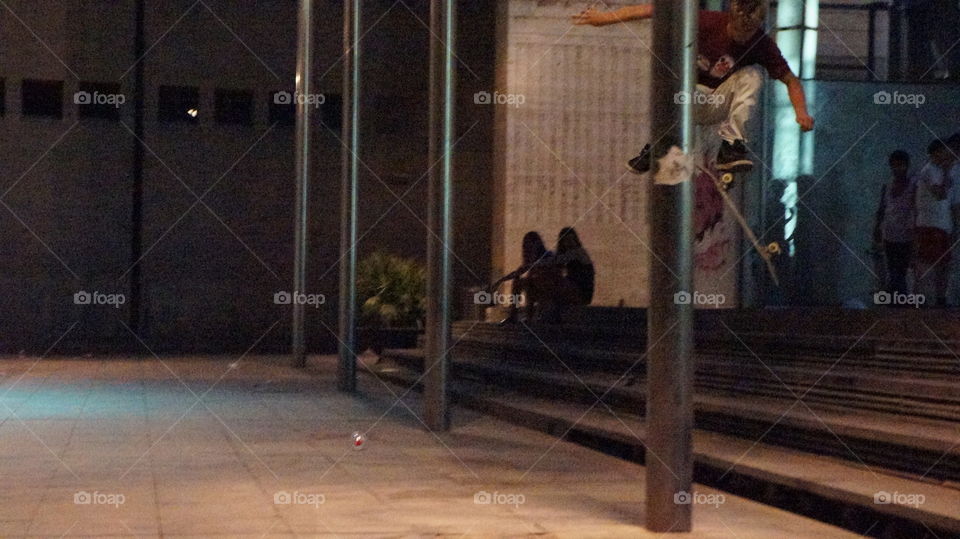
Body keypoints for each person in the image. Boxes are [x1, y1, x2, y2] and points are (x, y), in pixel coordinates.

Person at [572, 0, 814, 174]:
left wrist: (801, 113)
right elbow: (653, 10)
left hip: (718, 102)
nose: (742, 37)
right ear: (730, 19)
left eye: (748, 32)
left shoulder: (762, 44)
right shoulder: (708, 21)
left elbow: (791, 82)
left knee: (752, 76)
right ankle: (659, 144)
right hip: (686, 97)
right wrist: (605, 19)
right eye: (738, 30)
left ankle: (731, 146)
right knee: (676, 72)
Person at [914, 139, 956, 306]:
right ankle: (921, 300)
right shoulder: (929, 170)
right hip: (930, 225)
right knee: (927, 263)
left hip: (941, 225)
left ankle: (939, 299)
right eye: (945, 151)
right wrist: (947, 172)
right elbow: (940, 194)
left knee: (943, 264)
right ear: (936, 152)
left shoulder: (940, 170)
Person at [493, 231, 562, 323]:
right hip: (536, 287)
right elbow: (518, 271)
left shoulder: (547, 255)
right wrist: (501, 280)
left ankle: (530, 316)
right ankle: (514, 314)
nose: (529, 248)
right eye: (527, 246)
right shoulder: (530, 259)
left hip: (549, 289)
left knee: (529, 281)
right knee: (519, 281)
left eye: (531, 244)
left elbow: (552, 274)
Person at [873, 150, 916, 296]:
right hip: (889, 233)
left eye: (901, 165)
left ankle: (901, 303)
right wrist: (877, 230)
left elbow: (916, 209)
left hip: (907, 235)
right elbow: (882, 209)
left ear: (907, 166)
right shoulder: (887, 185)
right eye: (895, 165)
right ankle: (894, 303)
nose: (898, 168)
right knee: (892, 270)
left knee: (903, 271)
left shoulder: (914, 185)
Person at [552, 227, 595, 307]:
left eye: (571, 240)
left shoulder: (578, 252)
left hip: (582, 291)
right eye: (567, 240)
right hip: (576, 289)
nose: (570, 243)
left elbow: (557, 260)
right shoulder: (571, 254)